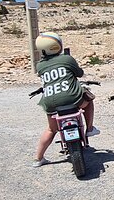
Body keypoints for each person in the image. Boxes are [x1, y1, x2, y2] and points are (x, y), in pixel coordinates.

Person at [32, 32, 99, 167]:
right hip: (73, 98)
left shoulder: (39, 66)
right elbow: (79, 73)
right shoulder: (67, 59)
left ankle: (38, 158)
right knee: (88, 99)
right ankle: (90, 128)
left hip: (51, 103)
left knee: (51, 130)